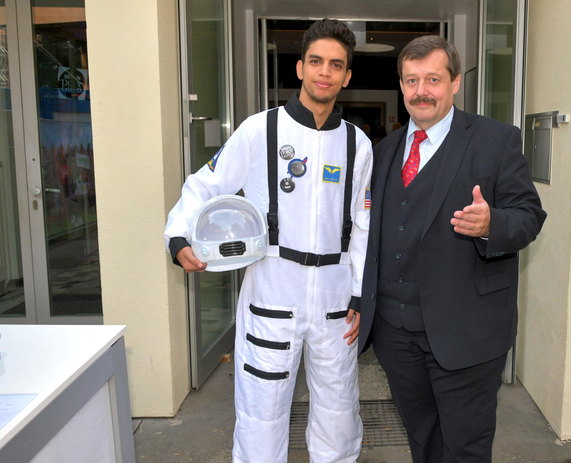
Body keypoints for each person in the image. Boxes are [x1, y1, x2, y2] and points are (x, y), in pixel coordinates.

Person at [164, 19, 373, 463]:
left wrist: (361, 291)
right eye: (316, 61)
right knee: (262, 409)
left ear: (347, 77)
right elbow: (207, 183)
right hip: (272, 289)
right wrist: (179, 235)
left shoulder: (358, 144)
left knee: (338, 408)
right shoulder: (260, 131)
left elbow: (362, 226)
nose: (325, 72)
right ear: (300, 68)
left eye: (336, 65)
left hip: (336, 297)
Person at [358, 35, 546, 463]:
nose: (421, 91)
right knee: (422, 439)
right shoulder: (383, 153)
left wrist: (491, 224)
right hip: (396, 336)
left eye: (433, 79)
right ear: (401, 85)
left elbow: (529, 215)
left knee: (465, 449)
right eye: (411, 80)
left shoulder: (496, 141)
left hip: (468, 334)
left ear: (455, 82)